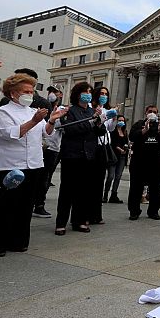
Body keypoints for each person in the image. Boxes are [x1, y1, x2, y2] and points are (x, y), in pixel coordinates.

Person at [0, 73, 66, 256]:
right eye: (25, 91)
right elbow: (10, 134)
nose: (30, 94)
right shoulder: (3, 111)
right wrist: (34, 121)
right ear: (13, 93)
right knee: (4, 205)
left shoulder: (32, 111)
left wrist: (51, 120)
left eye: (32, 91)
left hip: (33, 164)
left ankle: (17, 241)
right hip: (8, 164)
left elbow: (47, 133)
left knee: (25, 205)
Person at [55, 82, 106, 235]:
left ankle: (80, 220)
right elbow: (70, 129)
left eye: (90, 91)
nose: (88, 94)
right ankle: (61, 222)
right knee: (67, 190)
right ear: (78, 94)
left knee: (84, 190)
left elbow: (101, 131)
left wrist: (98, 121)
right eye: (85, 91)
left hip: (88, 155)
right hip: (72, 154)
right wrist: (91, 123)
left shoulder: (92, 111)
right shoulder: (70, 111)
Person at [128, 105, 160, 220]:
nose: (152, 113)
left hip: (156, 162)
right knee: (136, 187)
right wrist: (144, 130)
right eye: (150, 111)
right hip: (139, 161)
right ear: (146, 113)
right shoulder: (139, 124)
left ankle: (153, 211)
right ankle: (134, 211)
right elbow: (132, 137)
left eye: (154, 112)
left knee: (156, 188)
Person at [89, 86, 117, 224]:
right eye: (101, 93)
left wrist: (114, 116)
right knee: (90, 183)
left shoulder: (107, 109)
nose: (103, 96)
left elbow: (110, 128)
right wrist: (103, 117)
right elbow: (94, 124)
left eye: (106, 94)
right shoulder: (91, 107)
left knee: (100, 181)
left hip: (104, 147)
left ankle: (96, 214)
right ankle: (86, 213)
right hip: (93, 146)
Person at [105, 115, 129, 204]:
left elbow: (126, 143)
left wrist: (126, 148)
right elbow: (112, 144)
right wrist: (120, 149)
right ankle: (105, 194)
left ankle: (114, 195)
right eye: (119, 120)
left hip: (122, 157)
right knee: (110, 176)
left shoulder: (125, 132)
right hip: (113, 157)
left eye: (123, 120)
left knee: (118, 177)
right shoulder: (112, 131)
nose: (121, 122)